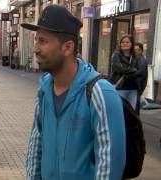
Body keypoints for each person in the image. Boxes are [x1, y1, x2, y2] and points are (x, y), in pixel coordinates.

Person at [21, 5, 125, 179]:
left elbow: (109, 166)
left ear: (68, 47)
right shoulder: (44, 90)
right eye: (36, 40)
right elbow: (36, 146)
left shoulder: (100, 94)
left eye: (43, 41)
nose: (35, 49)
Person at [109, 35, 141, 111]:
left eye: (127, 42)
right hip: (120, 87)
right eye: (122, 42)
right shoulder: (116, 55)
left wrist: (131, 71)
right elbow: (118, 69)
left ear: (132, 44)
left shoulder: (135, 57)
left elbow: (139, 71)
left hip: (133, 89)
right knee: (120, 111)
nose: (124, 44)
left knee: (131, 113)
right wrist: (132, 70)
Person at [134, 42, 148, 113]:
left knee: (135, 106)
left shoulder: (141, 59)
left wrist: (129, 73)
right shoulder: (137, 58)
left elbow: (140, 72)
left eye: (137, 49)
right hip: (137, 86)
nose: (135, 51)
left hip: (137, 86)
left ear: (141, 51)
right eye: (134, 49)